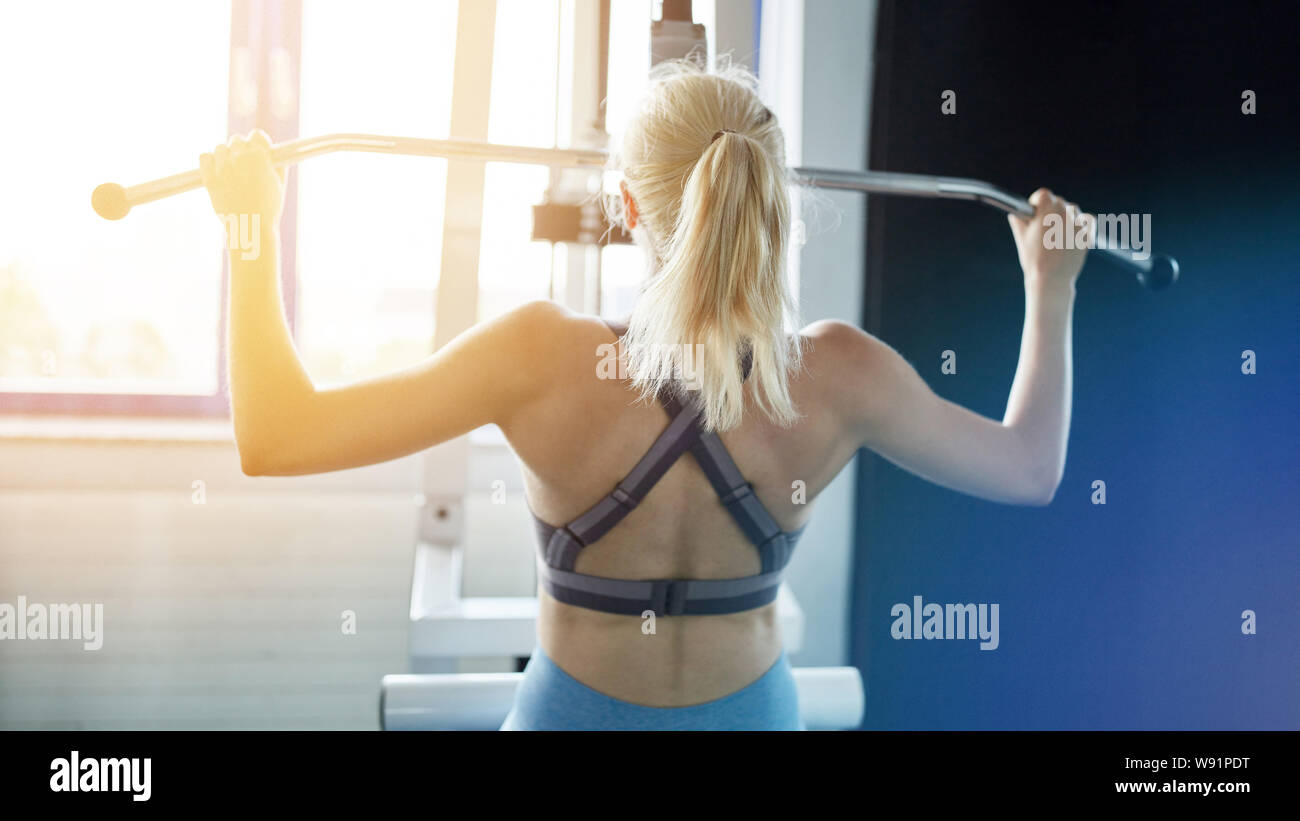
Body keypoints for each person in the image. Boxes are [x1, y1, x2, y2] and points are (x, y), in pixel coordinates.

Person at [199, 60, 1087, 730]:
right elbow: (1030, 469)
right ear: (770, 199)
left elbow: (277, 435)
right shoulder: (840, 374)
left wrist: (250, 231)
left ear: (627, 207)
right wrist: (1051, 287)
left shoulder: (538, 356)